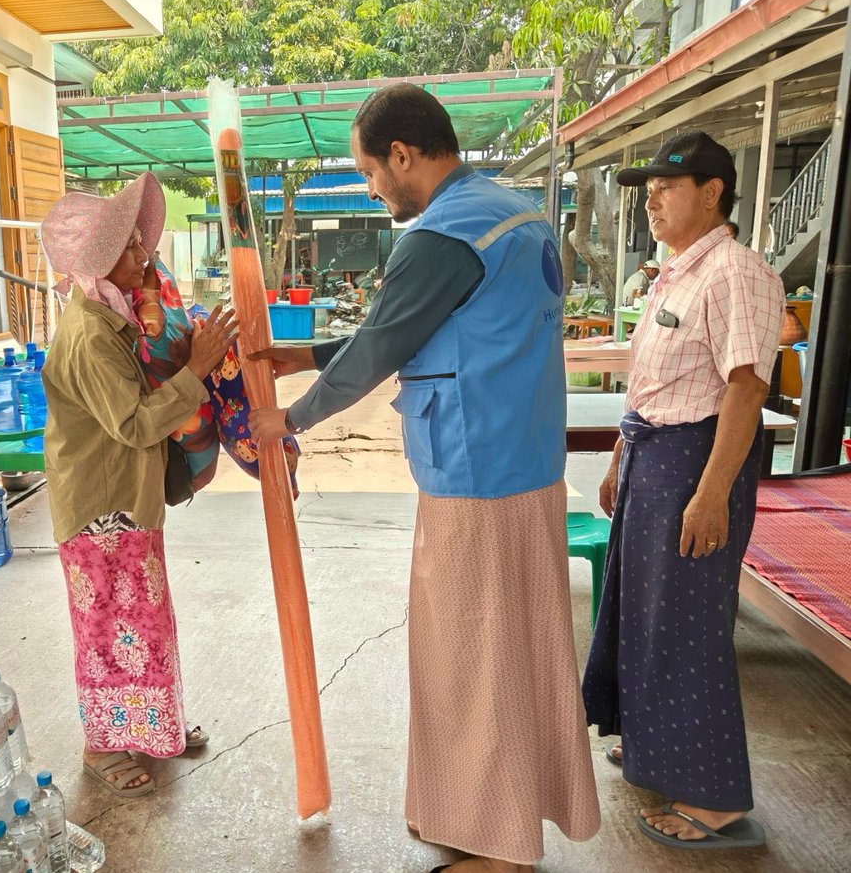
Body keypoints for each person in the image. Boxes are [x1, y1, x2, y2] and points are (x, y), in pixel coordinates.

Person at [248, 83, 599, 873]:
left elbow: (381, 349)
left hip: (478, 478)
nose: (373, 188)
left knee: (475, 659)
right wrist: (304, 353)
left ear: (403, 155)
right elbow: (417, 327)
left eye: (371, 171)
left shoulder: (442, 234)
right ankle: (478, 814)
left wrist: (290, 417)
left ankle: (502, 847)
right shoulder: (512, 212)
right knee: (505, 649)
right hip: (526, 465)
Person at [582, 131, 784, 850]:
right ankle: (654, 749)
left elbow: (746, 388)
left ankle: (715, 796)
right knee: (641, 613)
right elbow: (653, 383)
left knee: (688, 625)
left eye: (669, 185)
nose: (654, 200)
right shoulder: (674, 274)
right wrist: (616, 461)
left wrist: (710, 495)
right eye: (647, 191)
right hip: (651, 454)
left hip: (698, 464)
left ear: (713, 191)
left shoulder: (737, 271)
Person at [40, 173, 238, 798]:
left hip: (124, 506)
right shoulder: (92, 333)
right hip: (102, 509)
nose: (142, 255)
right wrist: (199, 370)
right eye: (128, 248)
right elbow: (133, 423)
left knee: (143, 623)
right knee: (106, 631)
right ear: (100, 261)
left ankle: (154, 727)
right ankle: (103, 745)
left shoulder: (114, 315)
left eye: (137, 243)